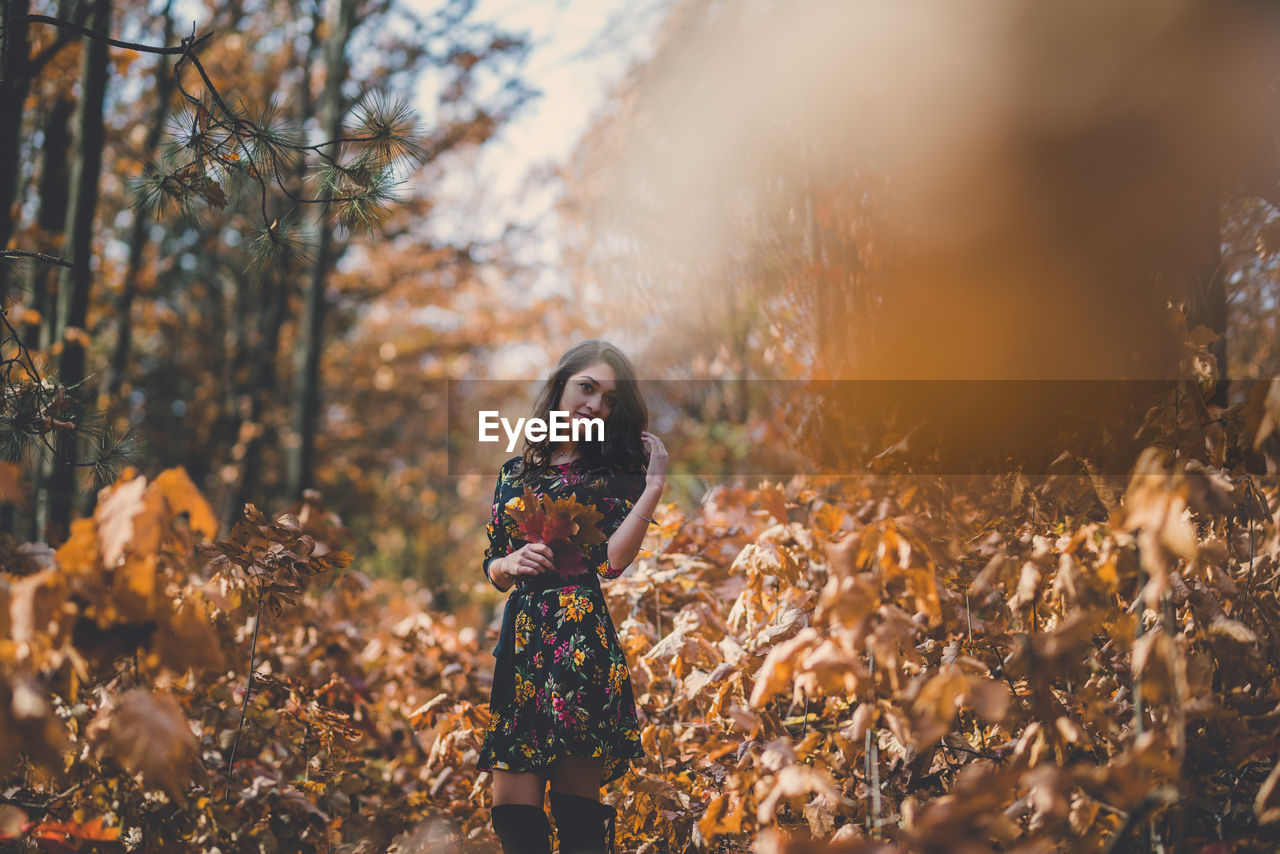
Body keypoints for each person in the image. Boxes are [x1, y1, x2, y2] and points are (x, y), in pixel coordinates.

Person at [478, 340, 668, 854]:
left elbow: (612, 562)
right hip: (521, 647)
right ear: (560, 386)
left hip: (580, 646)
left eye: (610, 399)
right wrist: (509, 563)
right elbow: (492, 563)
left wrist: (651, 488)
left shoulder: (614, 474)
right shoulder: (514, 473)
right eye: (587, 387)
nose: (596, 405)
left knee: (577, 820)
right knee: (513, 817)